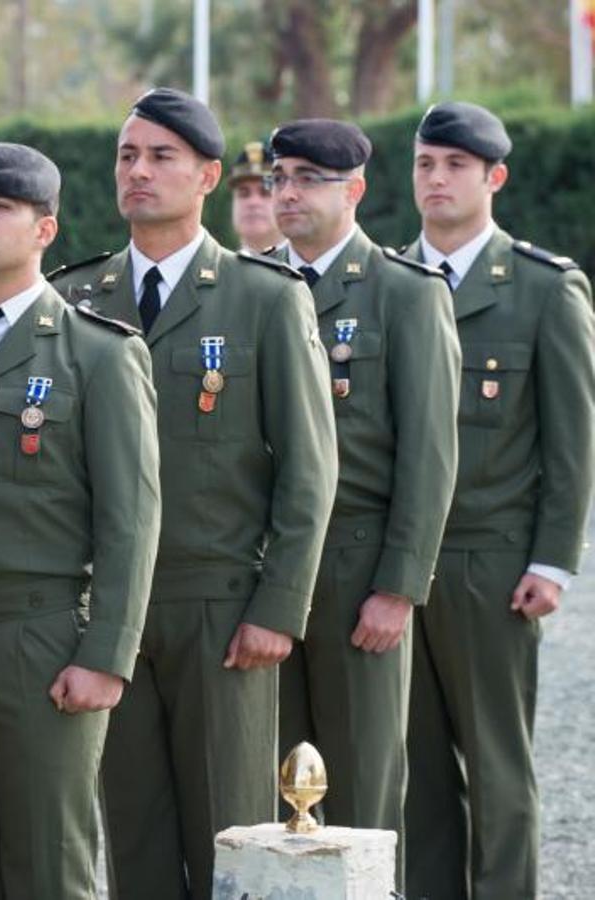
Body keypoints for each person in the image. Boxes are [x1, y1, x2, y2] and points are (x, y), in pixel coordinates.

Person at [47, 87, 337, 900]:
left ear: (208, 176)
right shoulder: (76, 300)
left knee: (231, 836)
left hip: (217, 604)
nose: (138, 172)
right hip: (107, 612)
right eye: (126, 156)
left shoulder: (263, 297)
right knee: (131, 833)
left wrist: (279, 606)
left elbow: (308, 469)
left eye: (161, 157)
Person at [0, 142, 161, 900]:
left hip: (39, 639)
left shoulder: (95, 354)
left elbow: (129, 518)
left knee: (49, 867)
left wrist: (106, 655)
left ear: (44, 230)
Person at [401, 101, 595, 900]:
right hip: (392, 568)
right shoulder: (387, 281)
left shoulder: (542, 291)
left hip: (490, 563)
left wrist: (552, 561)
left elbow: (572, 441)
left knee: (497, 766)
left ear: (494, 177)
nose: (436, 179)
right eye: (423, 164)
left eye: (453, 165)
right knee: (411, 769)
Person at [265, 119, 460, 883]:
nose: (287, 192)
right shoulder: (251, 286)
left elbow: (428, 454)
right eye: (279, 176)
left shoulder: (403, 294)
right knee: (268, 786)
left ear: (352, 190)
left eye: (307, 178)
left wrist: (397, 587)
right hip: (266, 570)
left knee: (364, 791)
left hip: (356, 569)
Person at [227, 140, 282, 253]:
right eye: (244, 194)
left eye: (265, 192)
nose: (253, 202)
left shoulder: (307, 268)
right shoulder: (217, 269)